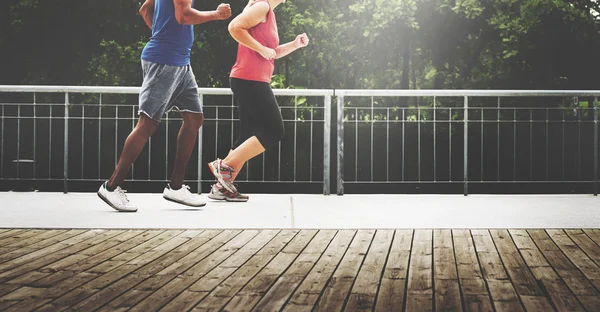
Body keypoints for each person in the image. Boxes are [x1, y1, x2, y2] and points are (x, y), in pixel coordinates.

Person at [97, 0, 232, 212]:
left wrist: (163, 32)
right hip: (165, 61)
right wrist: (216, 14)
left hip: (181, 63)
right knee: (147, 123)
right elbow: (183, 16)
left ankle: (176, 187)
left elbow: (145, 9)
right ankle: (111, 186)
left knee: (194, 118)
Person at [207, 0, 309, 202]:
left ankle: (221, 188)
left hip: (250, 78)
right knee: (274, 130)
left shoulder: (268, 12)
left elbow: (270, 53)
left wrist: (294, 45)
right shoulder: (262, 6)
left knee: (247, 135)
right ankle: (224, 165)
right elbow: (234, 27)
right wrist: (261, 49)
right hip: (249, 79)